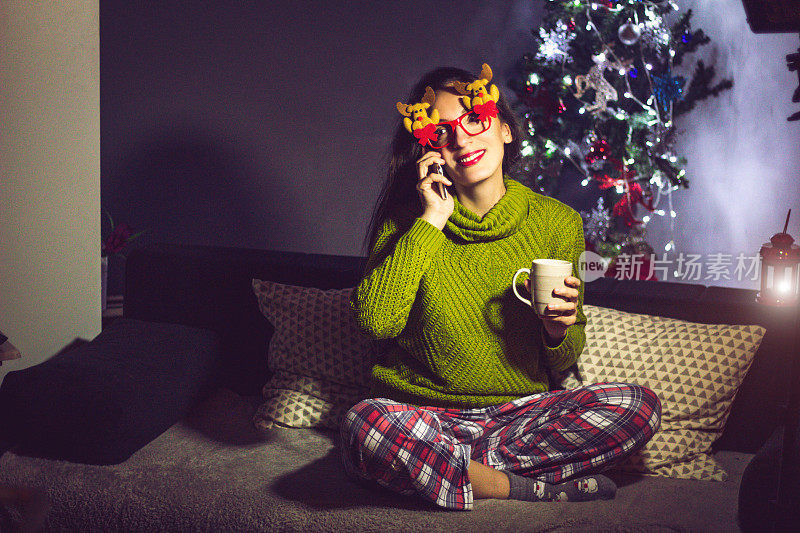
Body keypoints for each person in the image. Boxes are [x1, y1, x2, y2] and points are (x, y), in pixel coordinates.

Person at [340, 64, 661, 511]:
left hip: (519, 417)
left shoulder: (556, 222)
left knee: (637, 406)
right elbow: (375, 323)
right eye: (442, 133)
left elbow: (565, 358)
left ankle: (452, 473)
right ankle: (524, 486)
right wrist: (431, 219)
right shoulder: (407, 222)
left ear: (506, 130)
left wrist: (556, 331)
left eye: (475, 119)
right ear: (429, 151)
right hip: (424, 418)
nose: (463, 139)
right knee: (364, 425)